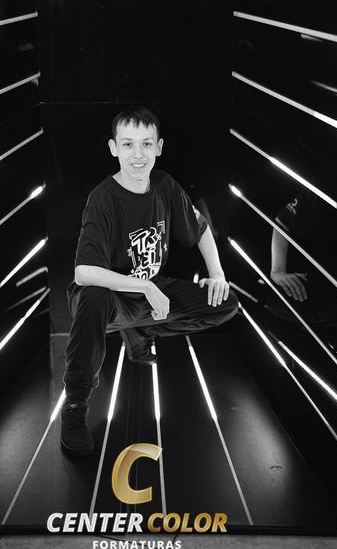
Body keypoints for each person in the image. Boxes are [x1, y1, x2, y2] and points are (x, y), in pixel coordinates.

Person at [61, 107, 238, 456]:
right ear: (114, 148)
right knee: (94, 296)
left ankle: (141, 331)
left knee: (225, 304)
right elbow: (83, 273)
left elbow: (200, 226)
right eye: (128, 144)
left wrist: (217, 273)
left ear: (159, 147)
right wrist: (145, 287)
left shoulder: (164, 185)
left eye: (146, 144)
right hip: (107, 300)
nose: (138, 154)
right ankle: (75, 405)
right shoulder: (102, 199)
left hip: (148, 292)